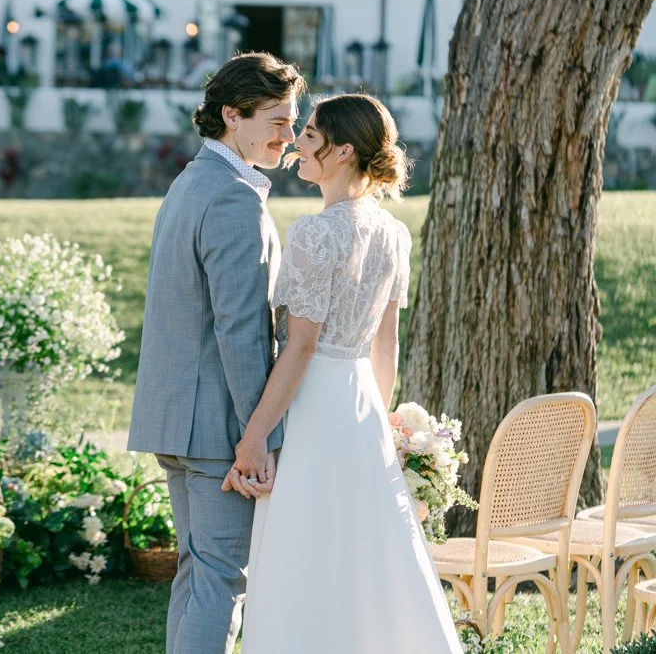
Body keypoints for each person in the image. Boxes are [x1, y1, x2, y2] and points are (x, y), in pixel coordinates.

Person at [232, 94, 462, 653]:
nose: (297, 143)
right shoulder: (394, 234)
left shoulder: (316, 233)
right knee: (362, 549)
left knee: (304, 548)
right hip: (361, 406)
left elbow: (301, 346)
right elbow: (386, 344)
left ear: (343, 152)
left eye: (311, 134)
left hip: (313, 404)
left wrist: (255, 436)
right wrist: (379, 424)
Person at [127, 51, 304, 654]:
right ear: (232, 115)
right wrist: (258, 435)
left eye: (293, 122)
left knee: (199, 570)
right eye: (277, 122)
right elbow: (241, 330)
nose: (289, 136)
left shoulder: (192, 180)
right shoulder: (232, 196)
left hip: (177, 416)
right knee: (222, 578)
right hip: (215, 428)